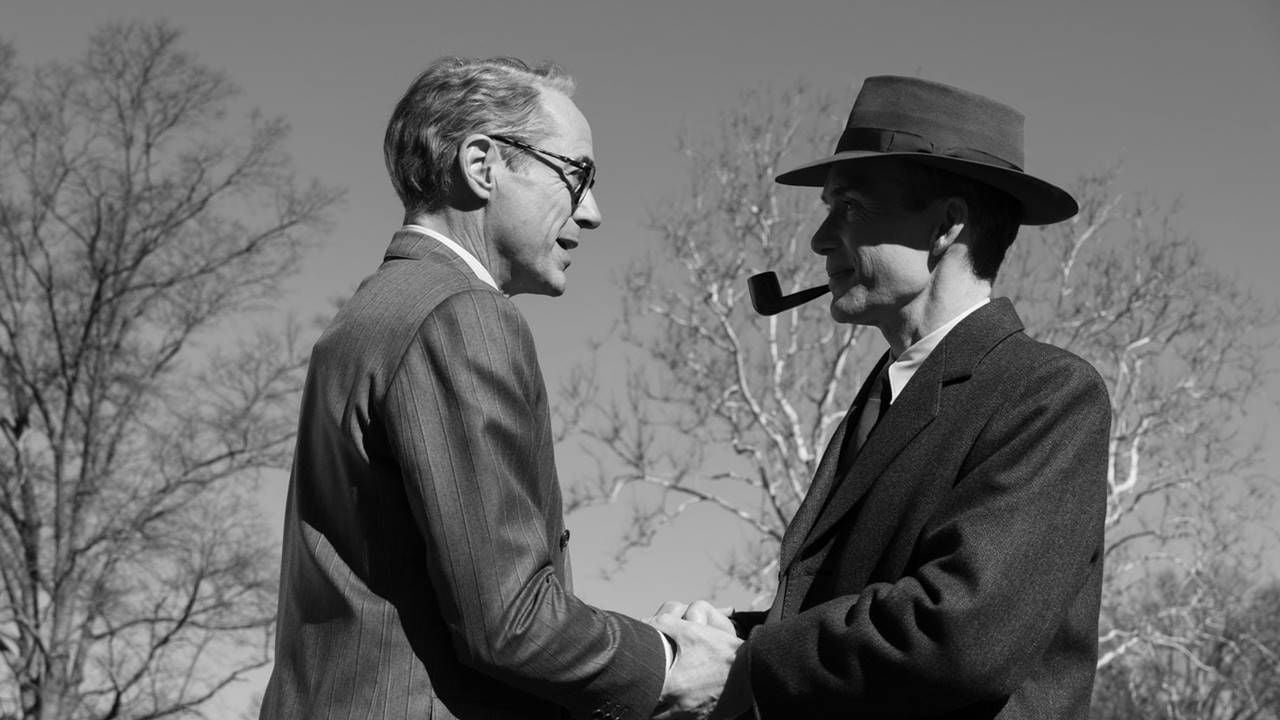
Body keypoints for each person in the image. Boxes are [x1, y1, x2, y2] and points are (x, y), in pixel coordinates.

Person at [259, 56, 737, 720]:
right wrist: (671, 662)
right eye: (577, 175)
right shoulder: (461, 314)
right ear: (483, 165)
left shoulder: (370, 315)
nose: (593, 212)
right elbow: (511, 622)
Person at [699, 76, 1112, 719]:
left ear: (945, 226)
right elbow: (848, 610)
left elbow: (959, 635)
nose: (820, 239)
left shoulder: (1047, 394)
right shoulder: (886, 394)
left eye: (850, 206)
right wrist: (717, 639)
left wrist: (747, 664)